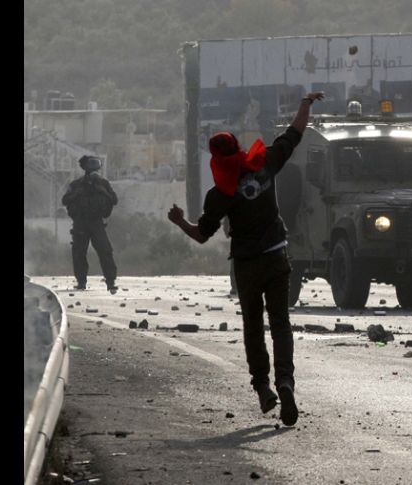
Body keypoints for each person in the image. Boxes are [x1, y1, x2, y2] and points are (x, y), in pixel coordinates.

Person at [167, 91, 325, 426]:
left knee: (253, 327)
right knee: (280, 324)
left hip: (246, 265)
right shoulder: (264, 163)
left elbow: (202, 234)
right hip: (276, 257)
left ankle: (263, 386)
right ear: (237, 147)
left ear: (215, 158)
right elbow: (294, 134)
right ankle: (286, 381)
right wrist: (304, 105)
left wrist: (180, 221)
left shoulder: (218, 196)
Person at [61, 155, 119, 293]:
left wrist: (101, 190)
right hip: (80, 223)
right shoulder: (76, 185)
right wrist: (78, 193)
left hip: (96, 222)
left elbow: (114, 200)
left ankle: (110, 282)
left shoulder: (103, 184)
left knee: (105, 251)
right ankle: (81, 282)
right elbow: (65, 200)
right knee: (79, 253)